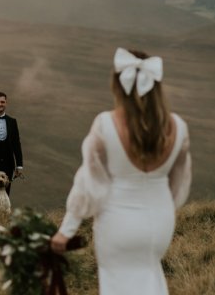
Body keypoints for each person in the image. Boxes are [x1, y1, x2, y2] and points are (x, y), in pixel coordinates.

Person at [50, 48, 192, 295]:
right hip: (160, 223)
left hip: (118, 224)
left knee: (117, 285)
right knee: (151, 279)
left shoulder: (106, 124)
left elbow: (88, 183)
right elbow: (178, 187)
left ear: (117, 84)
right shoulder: (178, 127)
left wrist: (66, 231)